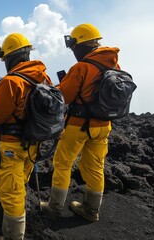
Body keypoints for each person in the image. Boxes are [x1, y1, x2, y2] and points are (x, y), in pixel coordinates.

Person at [0, 33, 53, 239]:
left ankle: (13, 236)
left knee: (11, 193)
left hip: (11, 146)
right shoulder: (43, 77)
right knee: (19, 184)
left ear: (9, 58)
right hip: (33, 144)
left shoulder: (10, 82)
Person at [40, 23, 117, 222]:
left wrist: (58, 86)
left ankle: (54, 207)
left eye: (74, 45)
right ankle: (91, 211)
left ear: (80, 44)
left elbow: (64, 97)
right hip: (104, 126)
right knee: (95, 166)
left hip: (79, 125)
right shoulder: (114, 65)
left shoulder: (82, 67)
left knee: (62, 163)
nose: (73, 50)